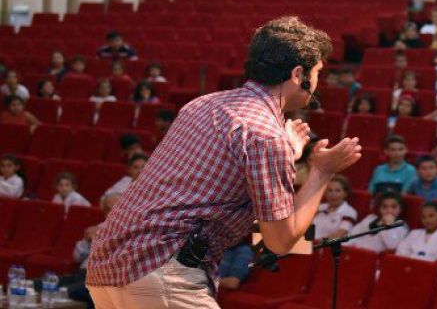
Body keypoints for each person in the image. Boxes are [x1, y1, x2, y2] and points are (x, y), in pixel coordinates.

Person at [85, 18, 362, 308]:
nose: (317, 81)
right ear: (298, 74)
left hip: (108, 263)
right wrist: (322, 172)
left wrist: (287, 154)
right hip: (158, 269)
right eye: (317, 72)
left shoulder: (203, 104)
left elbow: (217, 174)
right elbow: (280, 241)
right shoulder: (266, 137)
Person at [312, 175, 358, 240]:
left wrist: (314, 243)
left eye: (337, 191)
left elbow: (340, 234)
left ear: (345, 193)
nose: (333, 194)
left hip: (326, 246)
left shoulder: (349, 212)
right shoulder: (319, 207)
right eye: (330, 190)